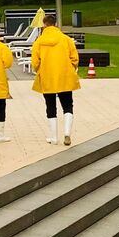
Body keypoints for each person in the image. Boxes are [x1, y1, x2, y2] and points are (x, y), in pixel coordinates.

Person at [31, 13, 80, 145]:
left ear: (44, 25)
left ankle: (53, 138)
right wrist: (71, 67)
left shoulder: (39, 42)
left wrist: (39, 70)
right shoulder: (66, 39)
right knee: (68, 105)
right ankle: (67, 133)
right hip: (65, 75)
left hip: (47, 76)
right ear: (56, 24)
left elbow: (35, 62)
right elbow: (74, 58)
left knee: (50, 106)